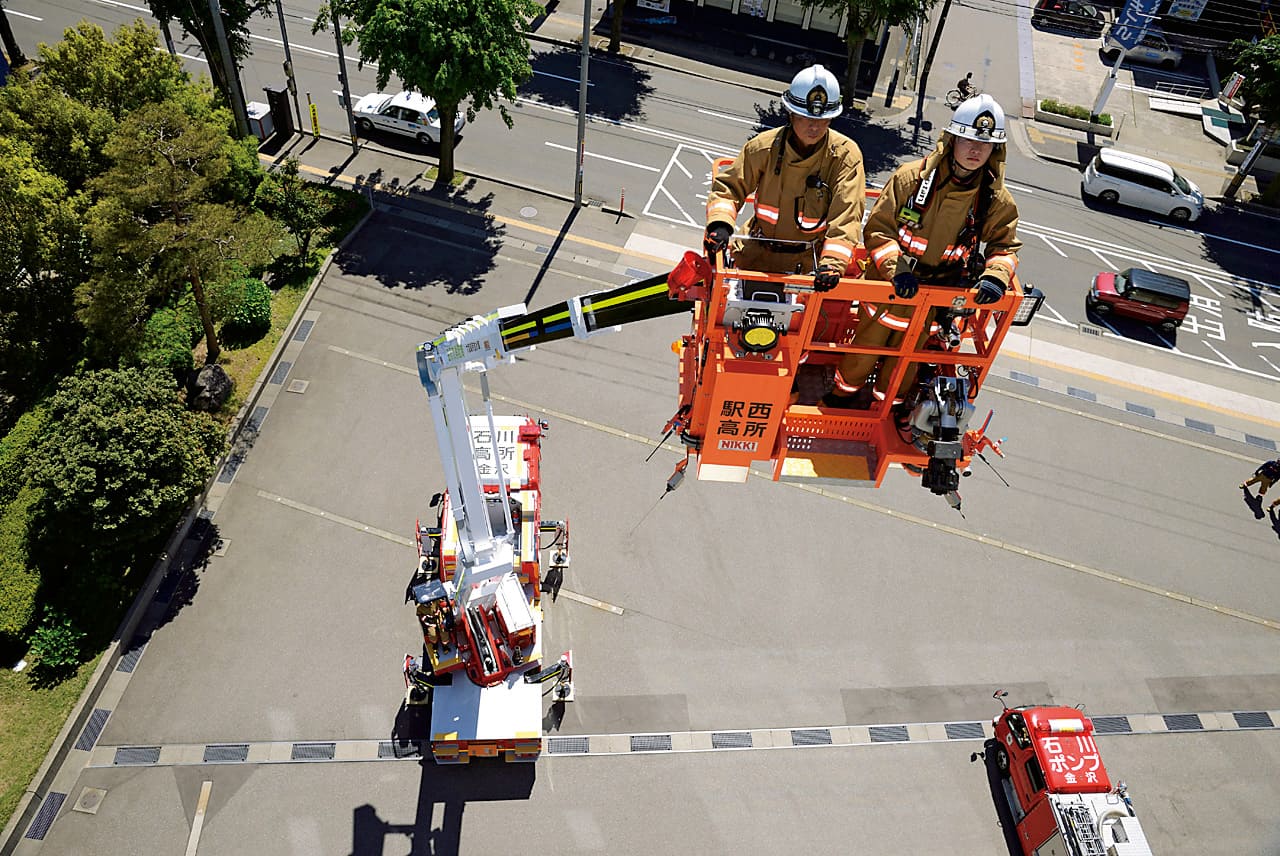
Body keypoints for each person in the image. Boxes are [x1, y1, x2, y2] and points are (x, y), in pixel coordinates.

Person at [826, 94, 1021, 407]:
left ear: (995, 150)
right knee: (863, 351)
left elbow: (1004, 244)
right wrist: (896, 270)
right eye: (968, 140)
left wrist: (995, 276)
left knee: (906, 363)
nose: (975, 150)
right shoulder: (911, 179)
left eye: (984, 145)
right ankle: (841, 398)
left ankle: (886, 406)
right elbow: (878, 229)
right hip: (888, 287)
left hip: (936, 294)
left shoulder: (994, 200)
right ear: (952, 139)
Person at [704, 64, 866, 295]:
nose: (814, 126)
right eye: (805, 117)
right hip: (754, 256)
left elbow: (847, 216)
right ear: (790, 114)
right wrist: (720, 225)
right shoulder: (763, 147)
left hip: (806, 268)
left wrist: (832, 264)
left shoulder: (845, 157)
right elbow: (729, 189)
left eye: (823, 120)